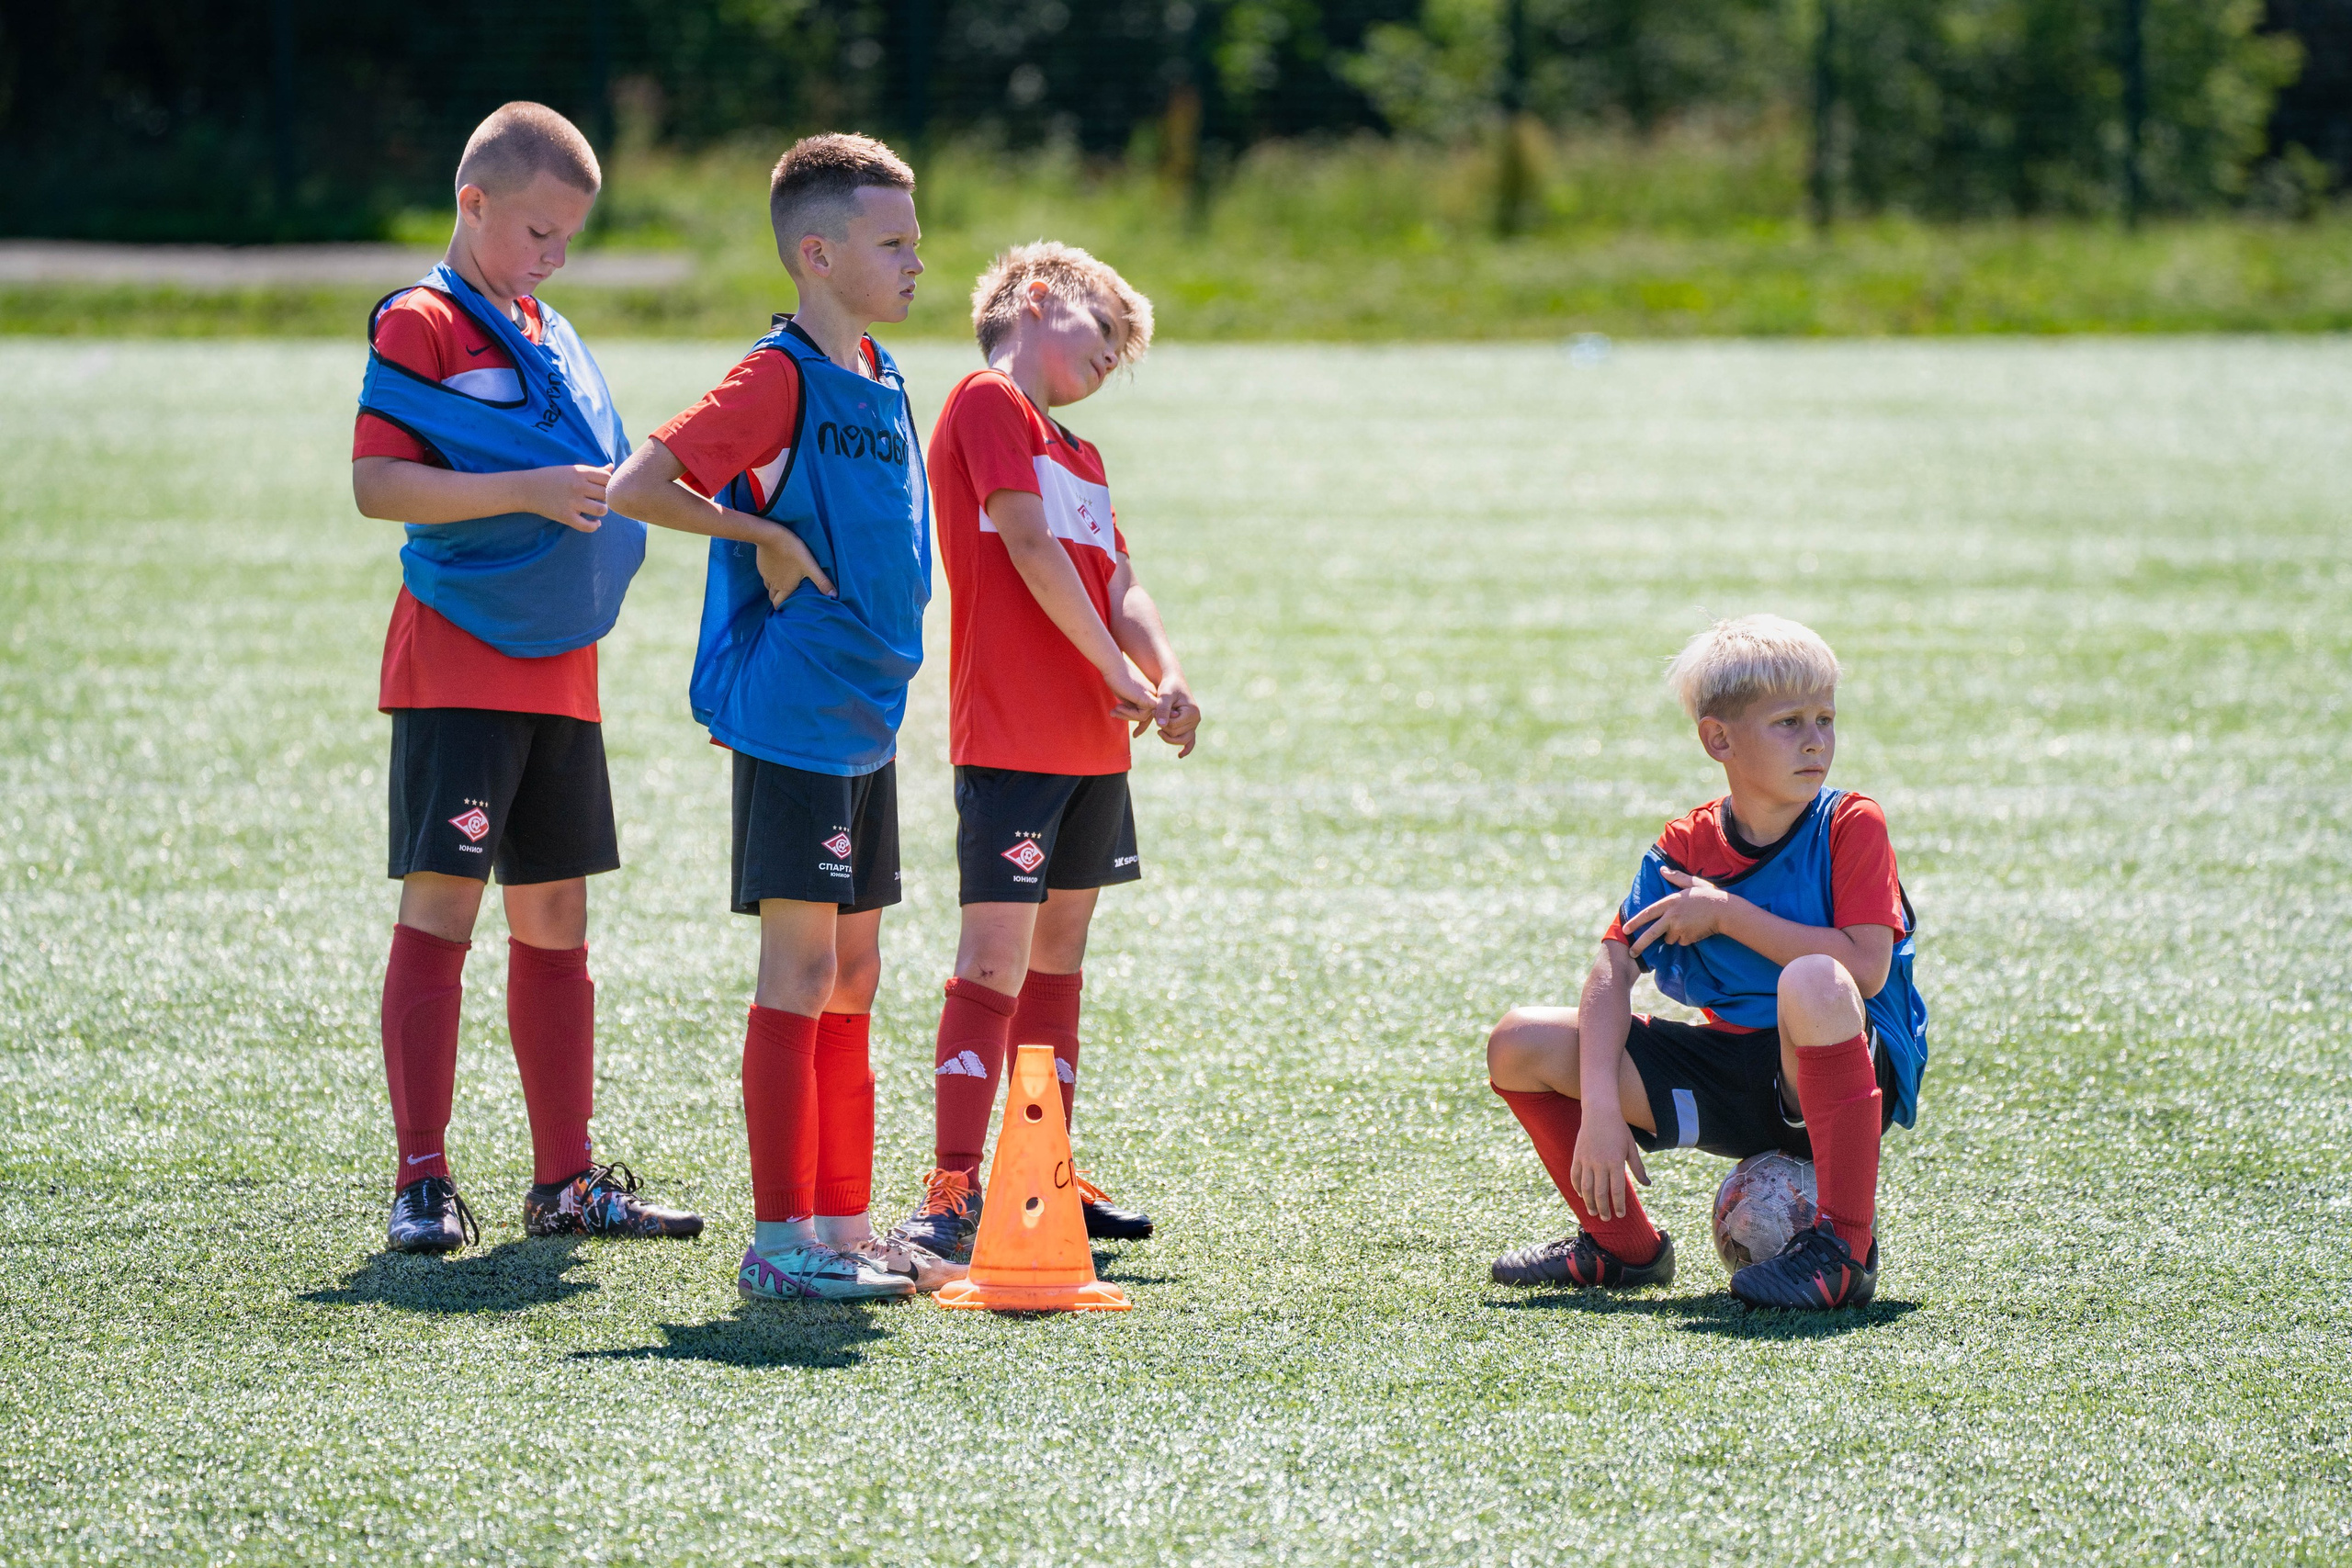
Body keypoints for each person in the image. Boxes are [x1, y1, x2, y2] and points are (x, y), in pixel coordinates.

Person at [352, 101, 700, 1254]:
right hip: (457, 656)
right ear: (474, 204)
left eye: (569, 241)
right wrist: (531, 489)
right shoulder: (423, 322)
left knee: (558, 917)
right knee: (441, 906)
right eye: (540, 234)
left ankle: (563, 1182)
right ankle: (420, 1180)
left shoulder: (545, 329)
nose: (554, 259)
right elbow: (380, 486)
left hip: (561, 669)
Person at [606, 133, 943, 1303]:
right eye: (891, 241)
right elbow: (638, 485)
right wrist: (767, 538)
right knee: (799, 970)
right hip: (799, 716)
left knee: (855, 973)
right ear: (817, 252)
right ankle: (783, 1241)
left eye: (914, 236)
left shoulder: (888, 375)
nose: (916, 260)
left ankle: (844, 1227)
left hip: (869, 719)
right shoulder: (779, 374)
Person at [887, 242, 1201, 1274]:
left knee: (1057, 961)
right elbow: (1024, 547)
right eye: (1105, 333)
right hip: (1015, 740)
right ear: (1036, 300)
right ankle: (949, 1189)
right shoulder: (987, 404)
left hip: (1094, 750)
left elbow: (1119, 582)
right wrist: (1116, 668)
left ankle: (1042, 1170)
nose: (1114, 359)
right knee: (993, 960)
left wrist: (1164, 670)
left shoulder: (1083, 456)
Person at [1484, 615, 1927, 1308]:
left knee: (1813, 979)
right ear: (1719, 738)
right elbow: (1612, 970)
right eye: (1789, 722)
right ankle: (1623, 1248)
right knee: (1518, 1041)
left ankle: (1846, 1248)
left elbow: (1864, 967)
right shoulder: (1686, 844)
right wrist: (1600, 1107)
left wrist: (1724, 913)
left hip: (1827, 1070)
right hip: (1729, 1075)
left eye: (1826, 718)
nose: (1816, 740)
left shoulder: (1850, 823)